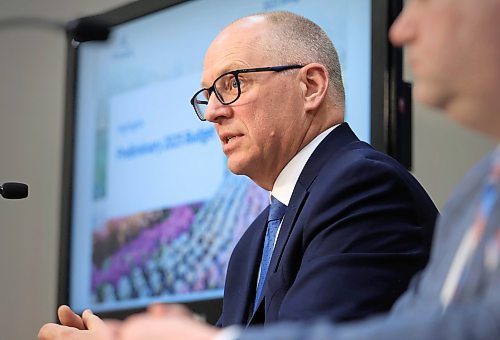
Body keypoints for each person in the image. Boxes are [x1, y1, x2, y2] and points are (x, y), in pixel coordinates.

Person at [61, 0, 499, 338]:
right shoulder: (252, 243)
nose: (213, 112)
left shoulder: (363, 186)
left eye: (232, 85)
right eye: (207, 96)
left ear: (310, 86)